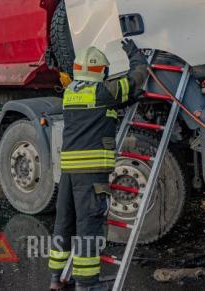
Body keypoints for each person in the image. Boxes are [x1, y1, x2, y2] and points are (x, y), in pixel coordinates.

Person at [49, 39, 148, 291]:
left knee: (64, 224)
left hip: (69, 174)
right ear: (101, 71)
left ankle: (56, 279)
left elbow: (99, 110)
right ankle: (87, 285)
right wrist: (135, 54)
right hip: (91, 176)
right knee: (89, 227)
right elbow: (136, 77)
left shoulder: (71, 91)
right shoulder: (103, 92)